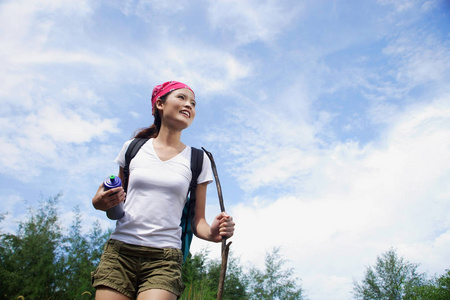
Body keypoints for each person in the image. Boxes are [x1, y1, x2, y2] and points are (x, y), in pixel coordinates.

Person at [91, 81, 235, 300]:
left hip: (164, 258)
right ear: (159, 103)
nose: (189, 105)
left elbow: (198, 223)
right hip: (120, 252)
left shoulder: (198, 159)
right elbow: (116, 202)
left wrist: (213, 233)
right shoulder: (133, 148)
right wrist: (99, 202)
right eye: (182, 98)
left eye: (193, 103)